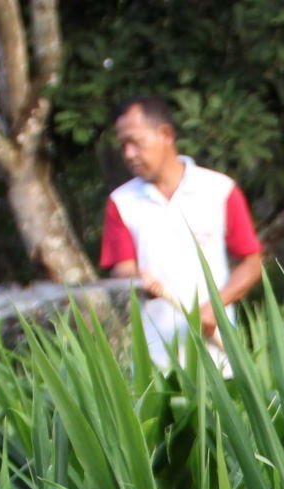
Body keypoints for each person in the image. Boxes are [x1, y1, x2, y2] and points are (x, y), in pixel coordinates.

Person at [99, 96, 265, 372]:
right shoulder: (121, 202)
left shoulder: (219, 190)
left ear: (165, 134)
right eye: (123, 145)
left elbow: (252, 263)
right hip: (154, 366)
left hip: (219, 358)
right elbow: (122, 270)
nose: (128, 153)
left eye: (136, 142)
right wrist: (138, 280)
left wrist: (214, 307)